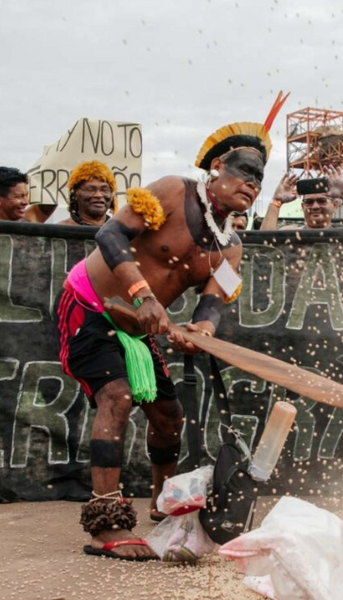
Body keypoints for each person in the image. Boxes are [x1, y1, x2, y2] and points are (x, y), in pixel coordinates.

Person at [56, 95, 285, 561]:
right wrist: (143, 295)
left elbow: (213, 303)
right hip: (91, 308)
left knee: (167, 417)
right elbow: (109, 235)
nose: (251, 186)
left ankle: (167, 507)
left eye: (258, 181)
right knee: (117, 396)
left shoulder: (231, 246)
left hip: (139, 329)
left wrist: (201, 330)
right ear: (218, 166)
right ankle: (106, 526)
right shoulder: (171, 192)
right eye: (244, 172)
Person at [259, 167, 343, 230]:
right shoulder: (290, 233)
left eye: (322, 201)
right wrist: (276, 201)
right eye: (309, 202)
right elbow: (263, 245)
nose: (315, 206)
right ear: (302, 206)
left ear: (335, 205)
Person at [59, 160, 117, 227]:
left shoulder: (122, 232)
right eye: (90, 190)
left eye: (104, 190)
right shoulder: (60, 231)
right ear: (75, 193)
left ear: (112, 194)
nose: (98, 195)